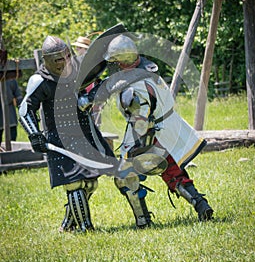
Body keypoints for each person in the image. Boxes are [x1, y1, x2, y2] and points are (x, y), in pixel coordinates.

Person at [79, 34, 214, 227]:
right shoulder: (148, 72)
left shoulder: (133, 89)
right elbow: (112, 83)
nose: (115, 65)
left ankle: (143, 220)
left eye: (116, 61)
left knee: (125, 177)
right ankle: (200, 204)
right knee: (173, 171)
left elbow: (140, 123)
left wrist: (132, 149)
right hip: (170, 128)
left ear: (121, 61)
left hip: (151, 132)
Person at [18, 35, 117, 233]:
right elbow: (25, 109)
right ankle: (85, 228)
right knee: (74, 184)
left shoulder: (77, 70)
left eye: (66, 57)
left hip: (84, 131)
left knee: (90, 182)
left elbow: (94, 81)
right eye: (58, 59)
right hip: (59, 137)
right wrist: (34, 134)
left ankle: (67, 224)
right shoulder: (40, 80)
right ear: (48, 60)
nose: (64, 62)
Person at [0, 79, 23, 146]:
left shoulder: (10, 78)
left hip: (9, 111)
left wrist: (22, 109)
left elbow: (18, 95)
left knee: (12, 138)